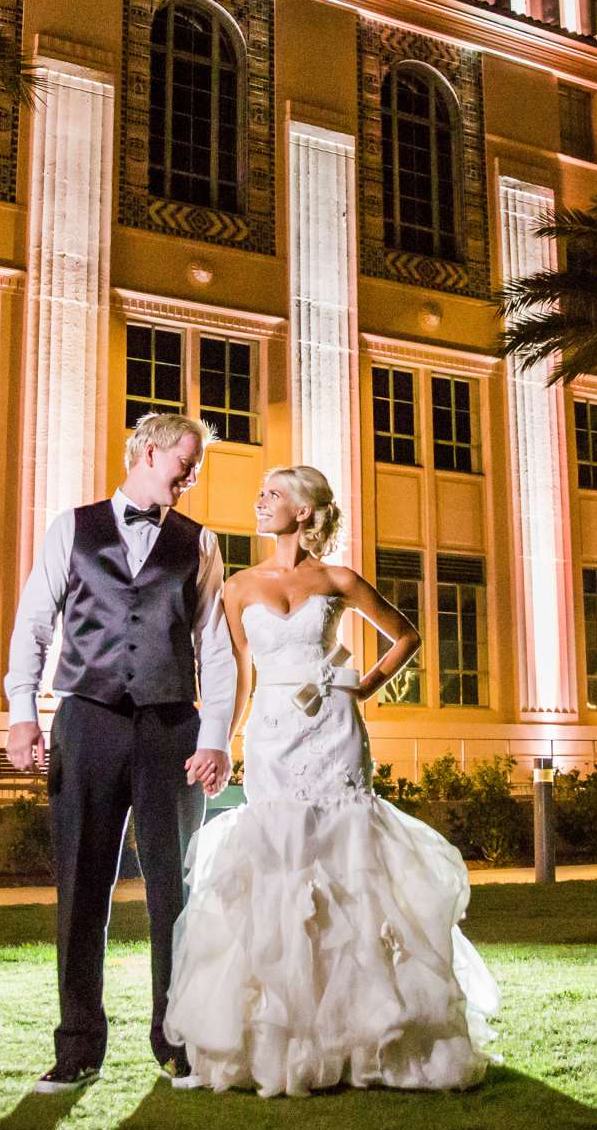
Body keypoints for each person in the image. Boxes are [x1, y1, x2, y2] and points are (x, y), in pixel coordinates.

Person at [162, 464, 496, 1095]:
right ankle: (279, 1037)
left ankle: (366, 1035)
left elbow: (406, 635)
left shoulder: (338, 579)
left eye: (273, 496)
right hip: (271, 735)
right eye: (260, 494)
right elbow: (238, 678)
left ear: (305, 512)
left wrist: (359, 687)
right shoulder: (236, 588)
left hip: (334, 730)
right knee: (280, 862)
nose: (260, 503)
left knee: (349, 862)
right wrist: (224, 744)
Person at [3, 412, 235, 1093]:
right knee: (80, 890)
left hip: (172, 730)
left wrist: (217, 736)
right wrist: (23, 716)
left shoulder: (201, 542)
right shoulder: (71, 529)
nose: (192, 476)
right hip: (88, 722)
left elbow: (214, 648)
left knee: (175, 893)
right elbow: (33, 626)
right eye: (185, 462)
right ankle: (78, 1047)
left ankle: (176, 1041)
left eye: (197, 467)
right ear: (147, 451)